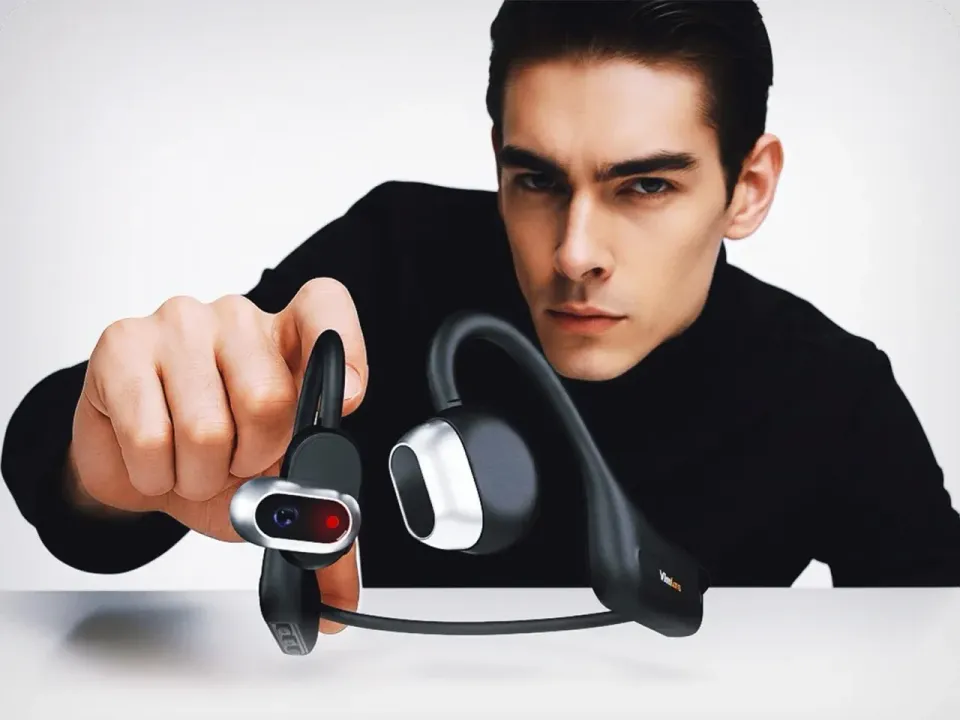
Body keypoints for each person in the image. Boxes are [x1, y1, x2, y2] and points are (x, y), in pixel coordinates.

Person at [4, 0, 960, 636]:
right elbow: (71, 488)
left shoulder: (831, 390)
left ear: (748, 188)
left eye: (646, 186)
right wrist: (115, 460)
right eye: (535, 179)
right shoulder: (391, 257)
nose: (574, 252)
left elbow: (937, 629)